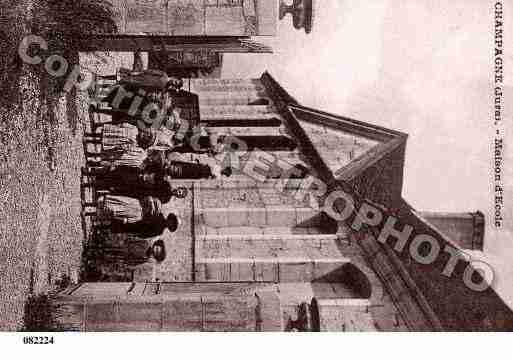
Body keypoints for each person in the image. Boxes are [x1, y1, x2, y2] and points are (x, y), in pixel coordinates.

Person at [100, 194, 180, 238]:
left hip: (136, 226)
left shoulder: (159, 231)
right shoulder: (159, 215)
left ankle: (99, 224)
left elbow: (147, 234)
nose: (170, 223)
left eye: (172, 224)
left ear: (170, 227)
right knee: (118, 209)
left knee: (118, 226)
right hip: (137, 214)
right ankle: (99, 208)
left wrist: (138, 234)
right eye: (172, 221)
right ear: (170, 219)